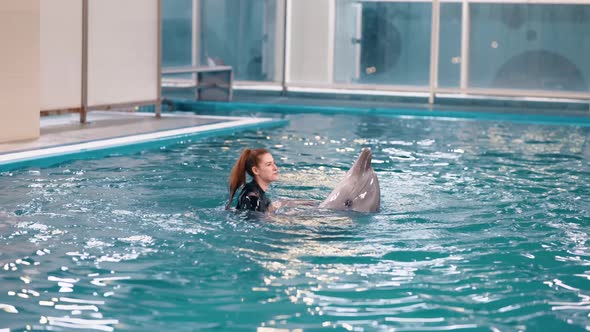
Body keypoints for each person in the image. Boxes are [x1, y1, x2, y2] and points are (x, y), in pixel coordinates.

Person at [226, 148, 278, 213]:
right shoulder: (252, 198)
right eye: (269, 164)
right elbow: (255, 220)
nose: (275, 168)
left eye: (274, 163)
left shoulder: (257, 193)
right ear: (255, 170)